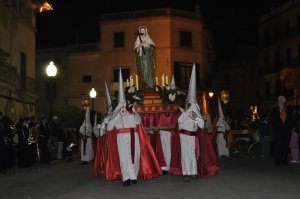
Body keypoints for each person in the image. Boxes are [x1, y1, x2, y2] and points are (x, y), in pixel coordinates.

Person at [95, 69, 162, 186]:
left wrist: (135, 111)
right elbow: (109, 129)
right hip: (121, 138)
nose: (122, 109)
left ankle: (134, 175)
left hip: (133, 137)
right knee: (123, 158)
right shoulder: (115, 118)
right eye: (120, 106)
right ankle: (126, 178)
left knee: (135, 157)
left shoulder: (131, 115)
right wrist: (107, 121)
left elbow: (138, 121)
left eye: (123, 106)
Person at [169, 64, 219, 182]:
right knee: (186, 155)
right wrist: (186, 112)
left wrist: (196, 116)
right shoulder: (183, 112)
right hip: (184, 136)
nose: (192, 105)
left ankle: (193, 172)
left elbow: (202, 125)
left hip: (193, 137)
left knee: (193, 154)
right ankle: (186, 173)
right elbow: (179, 122)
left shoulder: (196, 112)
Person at [270, 96, 294, 166]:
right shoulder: (275, 110)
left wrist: (290, 128)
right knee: (277, 146)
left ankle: (284, 160)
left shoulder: (288, 110)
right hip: (278, 131)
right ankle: (277, 161)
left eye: (281, 100)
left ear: (284, 101)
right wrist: (279, 113)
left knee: (285, 146)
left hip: (286, 131)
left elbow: (291, 120)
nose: (279, 101)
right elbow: (272, 120)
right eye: (278, 100)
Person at [134, 26, 156, 92]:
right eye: (141, 31)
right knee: (143, 72)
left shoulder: (149, 39)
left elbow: (153, 48)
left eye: (144, 31)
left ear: (146, 32)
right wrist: (140, 45)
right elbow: (135, 51)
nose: (142, 32)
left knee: (148, 72)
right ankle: (143, 87)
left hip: (148, 60)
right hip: (141, 60)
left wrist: (148, 45)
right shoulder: (138, 41)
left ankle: (150, 87)